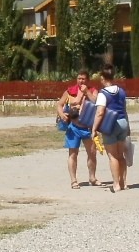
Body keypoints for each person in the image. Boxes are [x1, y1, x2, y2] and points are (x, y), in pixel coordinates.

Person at [56, 70, 99, 189]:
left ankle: (92, 178)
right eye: (79, 78)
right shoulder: (70, 91)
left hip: (88, 127)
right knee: (73, 154)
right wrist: (62, 114)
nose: (81, 81)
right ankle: (73, 181)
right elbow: (59, 104)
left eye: (83, 79)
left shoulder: (93, 90)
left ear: (87, 80)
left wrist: (87, 92)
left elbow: (97, 102)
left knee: (92, 153)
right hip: (73, 127)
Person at [92, 64, 131, 192]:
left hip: (110, 125)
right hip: (123, 122)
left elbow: (100, 112)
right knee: (121, 155)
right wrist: (128, 126)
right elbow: (124, 109)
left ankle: (116, 184)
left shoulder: (103, 94)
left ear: (103, 78)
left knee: (112, 156)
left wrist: (94, 128)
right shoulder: (121, 91)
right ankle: (123, 182)